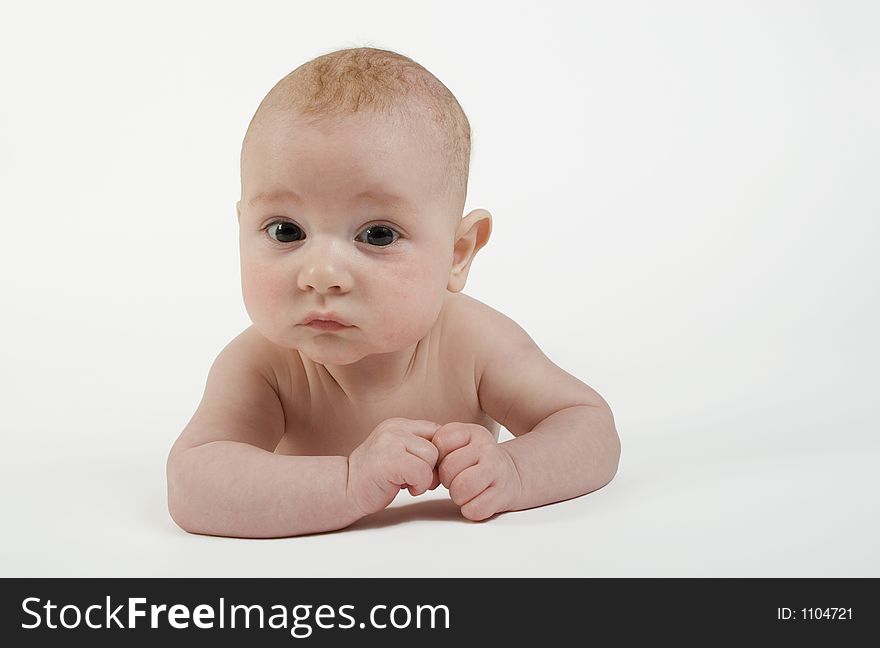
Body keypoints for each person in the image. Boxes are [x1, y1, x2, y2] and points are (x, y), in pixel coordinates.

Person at [166, 46, 620, 538]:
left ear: (458, 252)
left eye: (377, 235)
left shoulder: (476, 343)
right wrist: (349, 482)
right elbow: (192, 486)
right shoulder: (261, 365)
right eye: (284, 231)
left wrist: (517, 471)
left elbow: (589, 426)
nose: (321, 274)